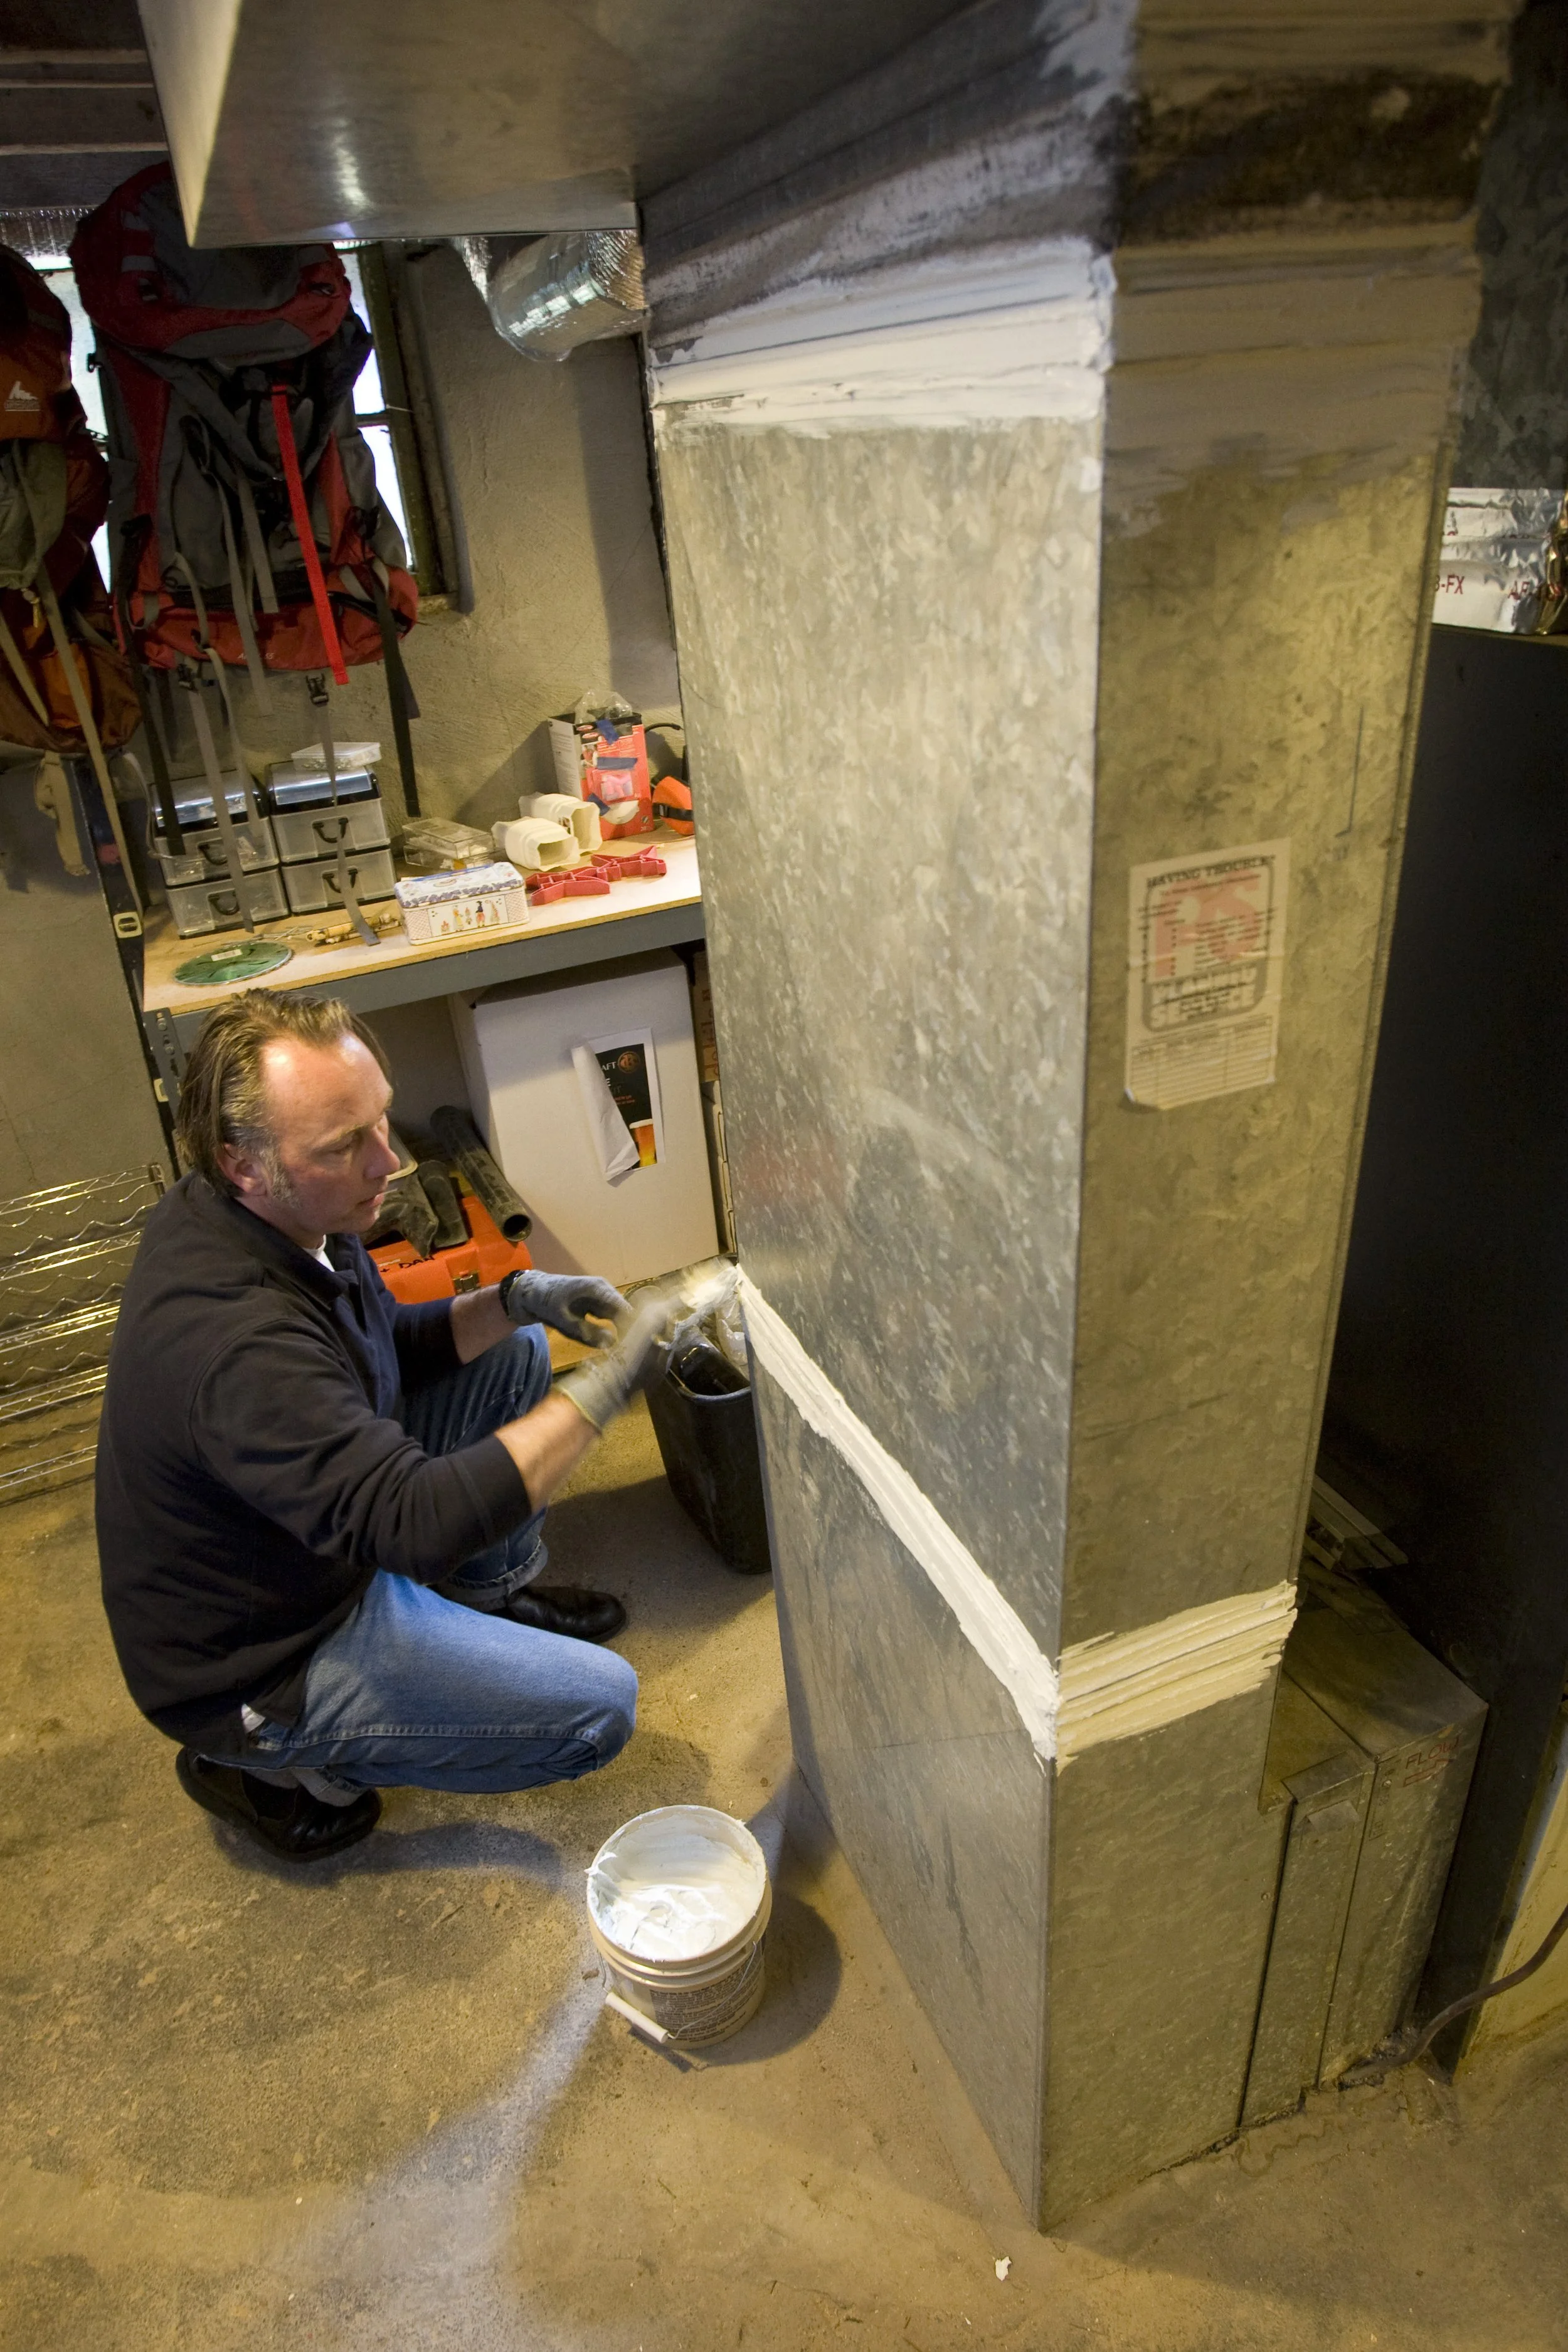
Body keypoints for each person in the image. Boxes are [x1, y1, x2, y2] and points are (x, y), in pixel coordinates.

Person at [96, 989, 678, 1865]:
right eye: (346, 1144)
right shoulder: (236, 1340)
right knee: (599, 1710)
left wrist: (518, 1294)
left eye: (381, 1120)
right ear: (241, 1160)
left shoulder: (282, 1211)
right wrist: (602, 1390)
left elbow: (377, 1348)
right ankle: (271, 1767)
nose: (389, 1161)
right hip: (268, 1655)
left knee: (513, 1347)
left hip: (314, 1542)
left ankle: (481, 1604)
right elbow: (416, 1519)